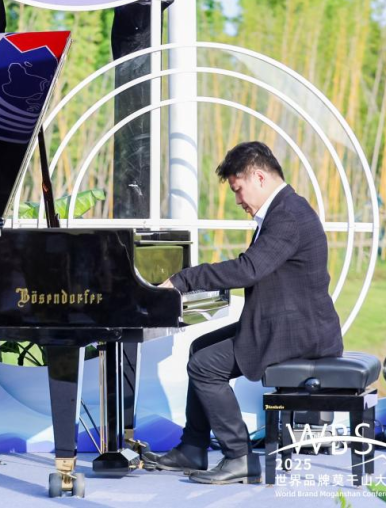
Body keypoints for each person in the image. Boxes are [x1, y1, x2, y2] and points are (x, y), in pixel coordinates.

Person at [143, 141, 343, 484]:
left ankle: (239, 457)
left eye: (238, 189)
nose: (237, 200)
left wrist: (183, 280)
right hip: (286, 324)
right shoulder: (284, 209)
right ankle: (193, 447)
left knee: (204, 367)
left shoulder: (287, 216)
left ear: (260, 177)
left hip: (299, 335)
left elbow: (249, 269)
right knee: (200, 348)